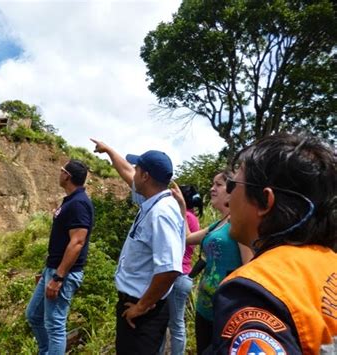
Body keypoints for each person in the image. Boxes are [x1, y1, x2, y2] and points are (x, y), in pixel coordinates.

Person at [210, 134, 337, 354]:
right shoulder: (329, 261)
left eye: (233, 184)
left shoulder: (252, 291)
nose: (228, 196)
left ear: (265, 201)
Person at [91, 138, 186, 355]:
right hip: (136, 307)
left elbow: (170, 269)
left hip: (142, 313)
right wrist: (109, 151)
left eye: (137, 169)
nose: (132, 173)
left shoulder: (162, 213)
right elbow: (125, 170)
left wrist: (141, 306)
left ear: (145, 176)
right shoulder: (152, 202)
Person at [171, 171, 254, 354]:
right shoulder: (219, 224)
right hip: (205, 308)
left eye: (218, 184)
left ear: (232, 190)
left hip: (226, 311)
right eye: (212, 184)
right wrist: (182, 207)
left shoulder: (238, 223)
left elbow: (249, 268)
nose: (212, 188)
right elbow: (188, 238)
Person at [25, 159, 94, 355]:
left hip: (63, 274)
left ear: (67, 176)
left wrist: (58, 277)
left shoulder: (79, 203)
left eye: (61, 170)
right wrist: (47, 270)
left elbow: (77, 242)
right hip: (53, 269)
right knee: (34, 315)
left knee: (55, 326)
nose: (59, 173)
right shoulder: (71, 201)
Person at [160, 184, 203, 354]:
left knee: (175, 324)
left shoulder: (184, 216)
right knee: (174, 322)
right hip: (184, 274)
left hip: (177, 275)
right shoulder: (192, 217)